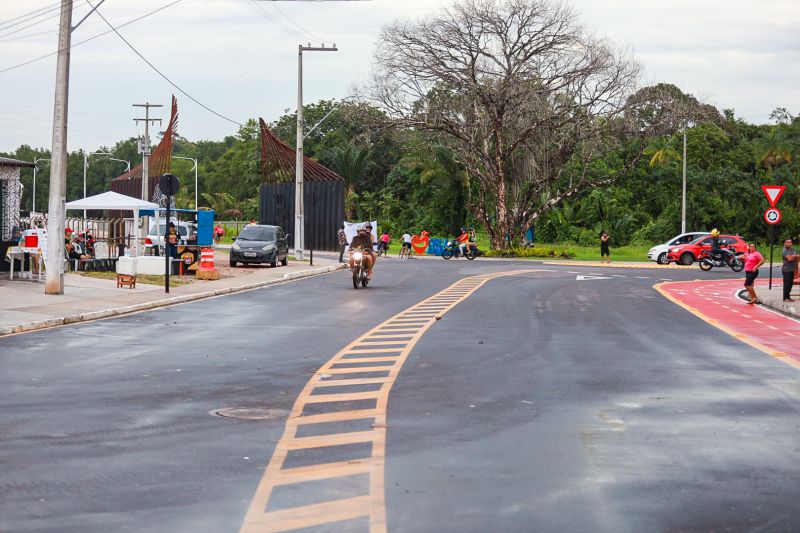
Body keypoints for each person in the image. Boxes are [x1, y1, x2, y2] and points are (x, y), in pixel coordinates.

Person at [781, 238, 798, 302]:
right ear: (785, 243)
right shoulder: (784, 251)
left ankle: (788, 296)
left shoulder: (793, 250)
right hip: (786, 270)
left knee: (790, 284)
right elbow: (789, 259)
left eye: (790, 242)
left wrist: (794, 256)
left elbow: (798, 257)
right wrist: (795, 257)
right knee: (787, 284)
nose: (789, 243)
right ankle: (785, 298)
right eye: (788, 242)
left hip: (792, 270)